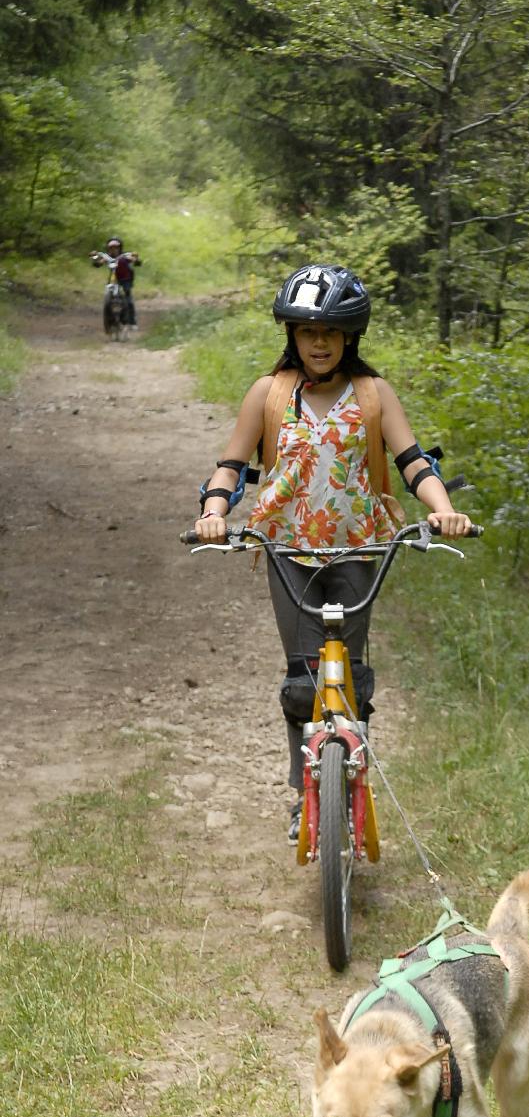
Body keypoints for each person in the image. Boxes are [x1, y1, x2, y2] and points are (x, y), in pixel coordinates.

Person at [194, 263, 472, 843]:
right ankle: (305, 792)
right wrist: (215, 512)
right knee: (302, 681)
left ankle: (352, 777)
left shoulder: (374, 395)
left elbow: (414, 462)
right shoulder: (268, 394)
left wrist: (442, 509)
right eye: (306, 332)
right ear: (291, 335)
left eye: (330, 333)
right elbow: (232, 464)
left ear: (350, 337)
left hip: (358, 548)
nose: (318, 343)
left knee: (353, 680)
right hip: (287, 550)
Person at [90, 237, 141, 329]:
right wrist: (96, 262)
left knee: (128, 299)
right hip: (113, 278)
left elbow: (133, 259)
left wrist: (135, 260)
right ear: (108, 248)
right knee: (107, 297)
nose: (114, 249)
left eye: (116, 247)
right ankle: (109, 318)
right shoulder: (107, 257)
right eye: (111, 248)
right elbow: (100, 262)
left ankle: (132, 322)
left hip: (125, 279)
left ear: (120, 248)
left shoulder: (124, 256)